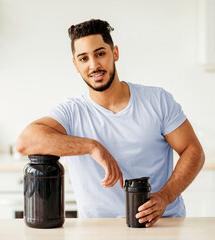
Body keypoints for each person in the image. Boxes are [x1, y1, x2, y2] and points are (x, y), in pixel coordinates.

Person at [16, 19, 205, 227]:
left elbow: (193, 150)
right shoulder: (71, 112)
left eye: (100, 54)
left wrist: (165, 197)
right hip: (99, 229)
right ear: (75, 65)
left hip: (161, 225)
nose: (94, 65)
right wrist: (92, 146)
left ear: (115, 53)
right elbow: (25, 141)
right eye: (84, 58)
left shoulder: (157, 100)